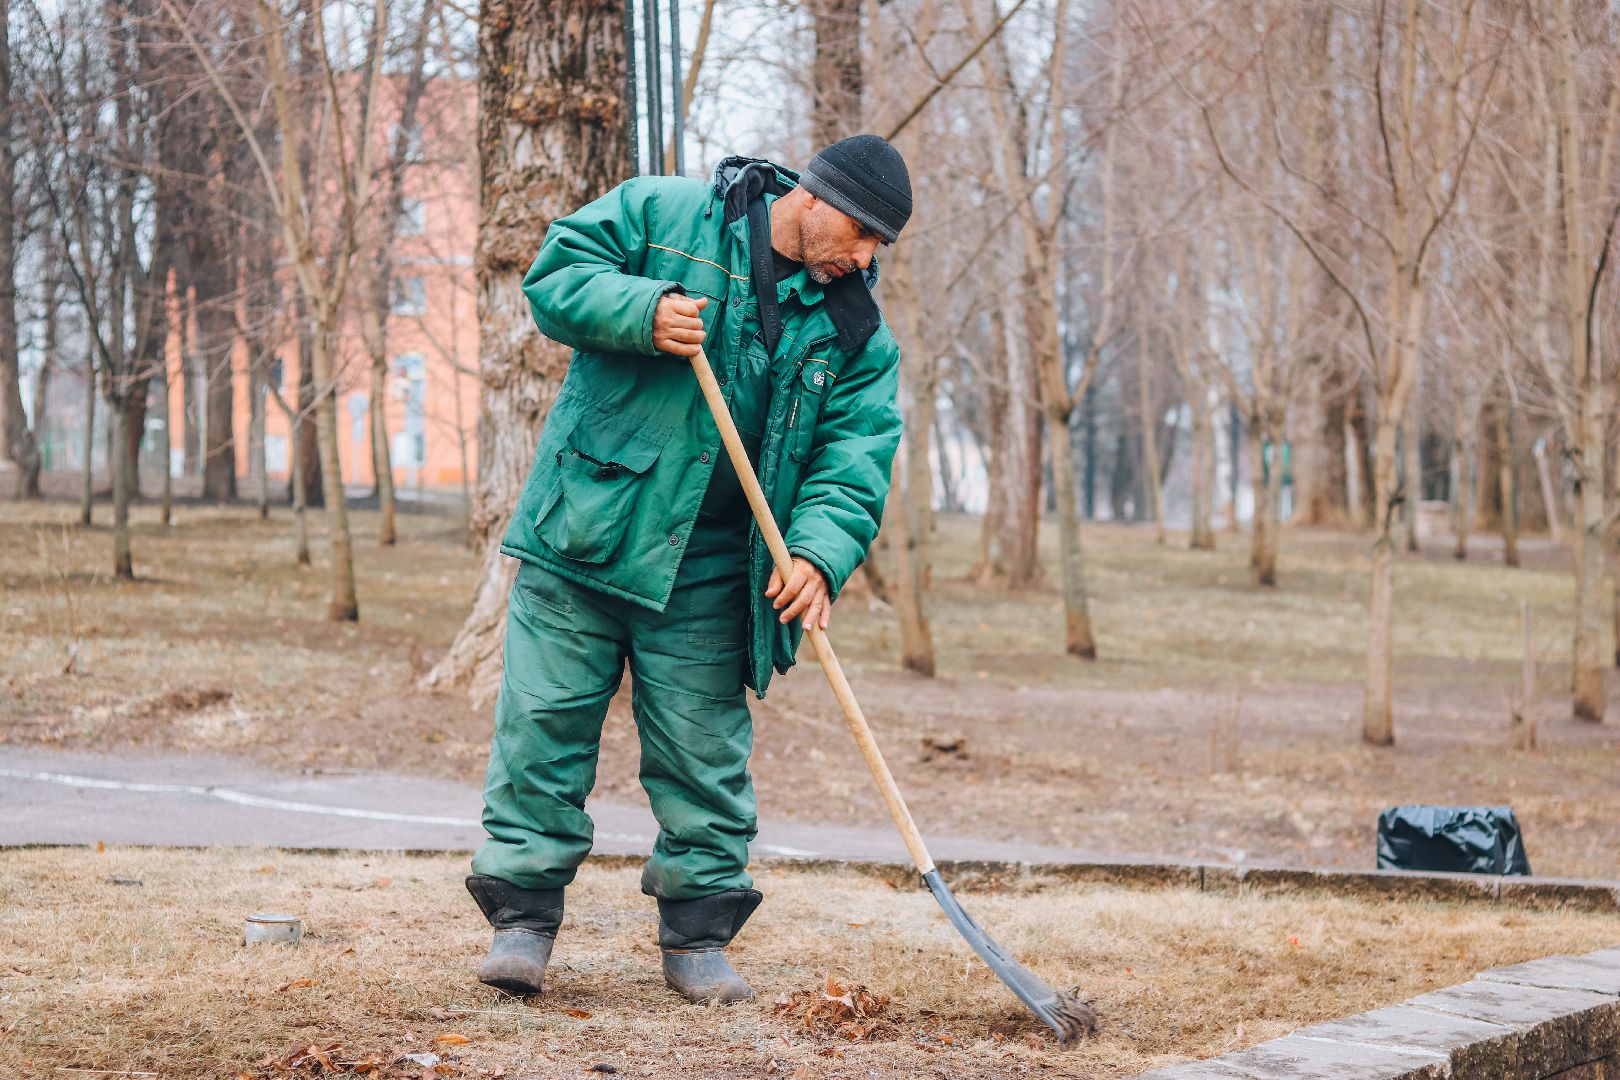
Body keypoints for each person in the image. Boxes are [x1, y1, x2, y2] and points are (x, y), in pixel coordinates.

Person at [463, 134, 912, 1005]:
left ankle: (697, 938)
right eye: (862, 234)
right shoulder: (665, 216)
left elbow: (854, 456)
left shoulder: (856, 328)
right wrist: (641, 309)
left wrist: (818, 554)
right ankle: (521, 925)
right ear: (816, 198)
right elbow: (556, 277)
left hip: (712, 565)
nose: (866, 258)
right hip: (586, 528)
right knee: (542, 732)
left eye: (877, 249)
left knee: (705, 756)